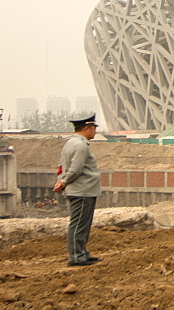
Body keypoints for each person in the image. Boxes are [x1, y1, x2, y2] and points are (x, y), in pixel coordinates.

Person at [53, 114, 102, 266]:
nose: (95, 131)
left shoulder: (71, 143)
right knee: (79, 224)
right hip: (82, 190)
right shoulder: (80, 145)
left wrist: (62, 180)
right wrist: (64, 182)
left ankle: (82, 253)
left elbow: (64, 166)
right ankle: (76, 257)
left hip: (83, 190)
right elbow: (75, 169)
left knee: (83, 224)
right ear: (86, 128)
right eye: (93, 128)